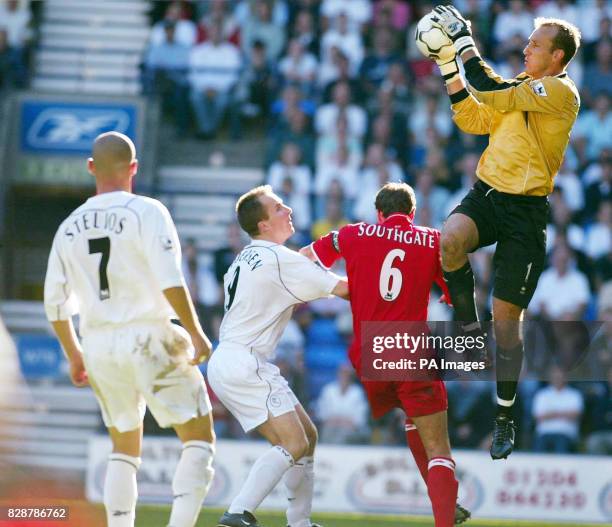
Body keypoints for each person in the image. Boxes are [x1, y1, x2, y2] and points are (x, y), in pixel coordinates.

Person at [429, 5, 581, 459]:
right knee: (449, 239)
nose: (526, 47)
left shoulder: (560, 93)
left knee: (508, 324)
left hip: (526, 213)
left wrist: (461, 44)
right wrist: (445, 67)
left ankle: (504, 415)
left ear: (556, 57)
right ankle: (465, 328)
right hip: (490, 195)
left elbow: (486, 87)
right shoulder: (520, 89)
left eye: (535, 44)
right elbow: (473, 118)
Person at [44, 132, 215, 527]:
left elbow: (54, 304)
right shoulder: (147, 211)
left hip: (99, 344)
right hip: (149, 334)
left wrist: (75, 354)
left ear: (91, 168)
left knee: (123, 446)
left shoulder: (68, 227)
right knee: (199, 438)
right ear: (134, 168)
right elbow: (171, 279)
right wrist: (196, 330)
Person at [301, 182, 470, 527]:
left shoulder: (353, 233)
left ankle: (444, 502)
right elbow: (458, 290)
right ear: (412, 213)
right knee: (439, 450)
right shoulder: (432, 240)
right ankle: (444, 512)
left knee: (413, 419)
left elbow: (305, 259)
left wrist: (342, 288)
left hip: (369, 354)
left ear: (378, 214)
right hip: (410, 352)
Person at [207, 185, 349, 527]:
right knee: (294, 442)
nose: (288, 209)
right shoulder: (277, 258)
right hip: (245, 361)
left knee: (307, 437)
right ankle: (239, 511)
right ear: (264, 225)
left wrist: (308, 256)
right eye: (278, 208)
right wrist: (392, 274)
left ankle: (299, 522)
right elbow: (345, 289)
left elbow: (289, 271)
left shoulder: (246, 256)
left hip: (231, 358)